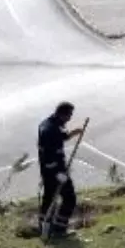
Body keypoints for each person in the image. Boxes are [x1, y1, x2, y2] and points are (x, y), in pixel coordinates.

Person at [37, 101, 84, 238]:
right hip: (55, 171)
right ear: (63, 114)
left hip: (49, 171)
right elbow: (48, 153)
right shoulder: (49, 129)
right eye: (69, 115)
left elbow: (60, 137)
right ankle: (59, 229)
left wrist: (73, 134)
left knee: (49, 198)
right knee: (69, 198)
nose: (70, 118)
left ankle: (44, 228)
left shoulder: (50, 124)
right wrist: (58, 173)